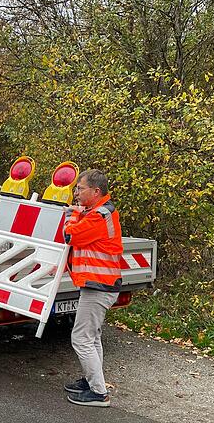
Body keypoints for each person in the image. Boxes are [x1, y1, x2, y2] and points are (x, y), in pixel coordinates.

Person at [62, 169, 123, 407]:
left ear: (96, 191)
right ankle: (92, 381)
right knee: (93, 336)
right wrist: (78, 213)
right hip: (98, 284)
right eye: (76, 188)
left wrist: (70, 216)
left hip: (99, 285)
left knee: (81, 338)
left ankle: (98, 393)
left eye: (80, 188)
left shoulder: (99, 216)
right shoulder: (97, 212)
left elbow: (71, 236)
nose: (76, 192)